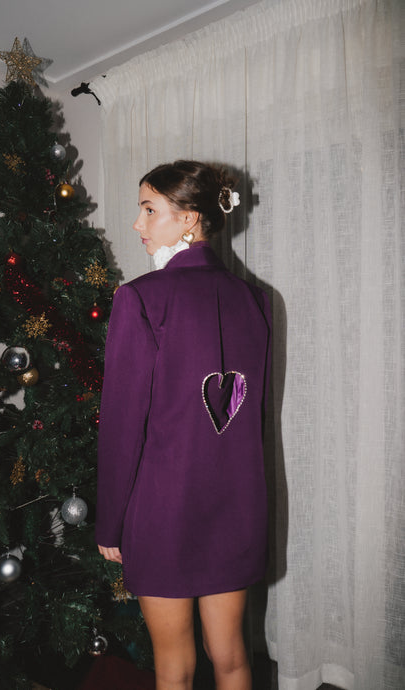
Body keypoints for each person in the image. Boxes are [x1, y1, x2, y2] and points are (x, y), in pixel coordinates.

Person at [96, 160, 271, 690]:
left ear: (190, 218)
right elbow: (253, 419)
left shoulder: (140, 297)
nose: (138, 223)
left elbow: (122, 428)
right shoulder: (255, 299)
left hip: (163, 512)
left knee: (174, 668)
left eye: (150, 210)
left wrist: (109, 525)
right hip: (236, 508)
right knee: (232, 657)